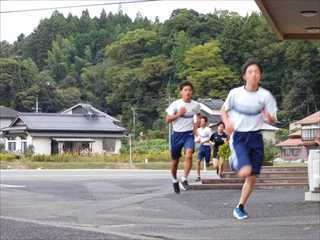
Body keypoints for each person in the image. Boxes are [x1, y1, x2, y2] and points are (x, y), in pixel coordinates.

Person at [221, 58, 277, 220]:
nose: (254, 75)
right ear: (244, 76)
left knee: (252, 177)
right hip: (239, 136)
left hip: (256, 137)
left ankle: (240, 207)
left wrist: (269, 117)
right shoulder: (235, 93)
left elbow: (273, 118)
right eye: (250, 72)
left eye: (257, 72)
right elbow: (223, 111)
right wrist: (227, 123)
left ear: (260, 76)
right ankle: (234, 161)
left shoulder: (265, 95)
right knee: (245, 170)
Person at [165, 81, 201, 193]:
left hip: (188, 134)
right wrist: (178, 114)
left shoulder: (195, 105)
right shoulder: (175, 104)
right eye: (185, 90)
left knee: (189, 154)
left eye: (190, 90)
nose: (188, 92)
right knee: (175, 162)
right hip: (176, 135)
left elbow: (198, 116)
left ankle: (184, 179)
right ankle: (174, 179)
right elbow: (167, 120)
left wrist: (195, 127)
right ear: (181, 92)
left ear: (192, 92)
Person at [195, 116, 212, 182]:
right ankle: (198, 176)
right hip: (201, 147)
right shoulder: (198, 130)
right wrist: (197, 140)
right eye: (201, 121)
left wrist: (204, 141)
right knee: (198, 161)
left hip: (207, 147)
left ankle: (214, 163)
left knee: (207, 164)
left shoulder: (208, 129)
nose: (201, 122)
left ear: (206, 122)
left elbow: (211, 138)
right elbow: (197, 138)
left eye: (203, 121)